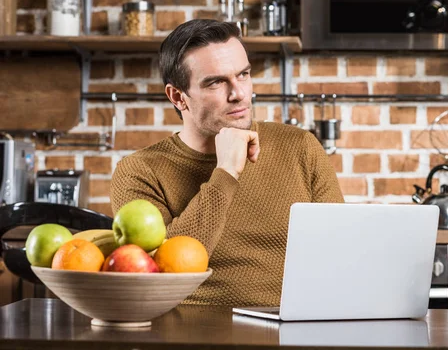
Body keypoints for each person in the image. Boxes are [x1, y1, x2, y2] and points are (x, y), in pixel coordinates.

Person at [110, 19, 344, 307]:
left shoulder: (300, 147)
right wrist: (226, 172)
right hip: (198, 334)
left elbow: (339, 253)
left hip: (297, 330)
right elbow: (161, 276)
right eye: (216, 82)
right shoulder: (139, 171)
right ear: (178, 97)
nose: (239, 94)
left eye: (243, 74)